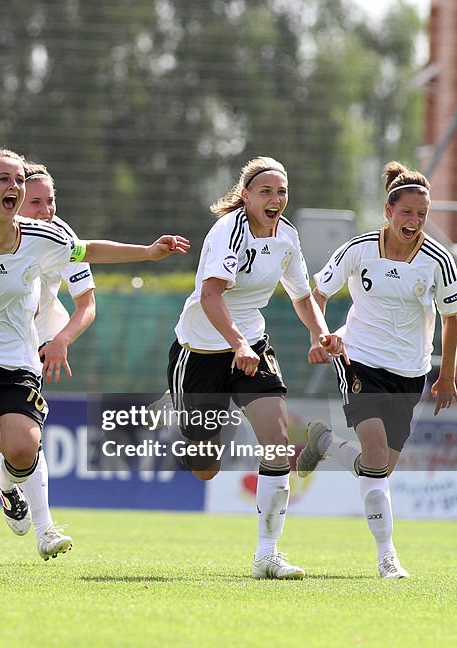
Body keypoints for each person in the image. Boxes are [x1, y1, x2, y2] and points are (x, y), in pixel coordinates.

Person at [0, 146, 189, 581]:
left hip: (13, 365)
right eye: (4, 180)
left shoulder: (42, 238)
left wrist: (147, 253)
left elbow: (90, 250)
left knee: (21, 446)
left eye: (18, 180)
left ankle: (21, 498)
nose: (14, 187)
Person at [166, 156, 343, 580]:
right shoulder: (228, 231)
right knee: (205, 466)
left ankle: (268, 554)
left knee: (278, 442)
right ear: (245, 196)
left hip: (253, 346)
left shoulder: (287, 237)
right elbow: (210, 297)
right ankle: (197, 431)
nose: (276, 199)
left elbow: (303, 296)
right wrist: (237, 343)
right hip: (201, 351)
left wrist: (320, 333)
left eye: (281, 192)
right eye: (266, 191)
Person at [297, 161, 457, 579]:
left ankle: (323, 442)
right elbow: (318, 293)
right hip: (359, 361)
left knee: (380, 469)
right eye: (407, 212)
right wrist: (319, 338)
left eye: (422, 215)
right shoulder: (357, 249)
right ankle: (387, 557)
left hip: (410, 371)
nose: (414, 221)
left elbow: (451, 318)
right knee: (374, 457)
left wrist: (445, 375)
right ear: (388, 212)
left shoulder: (437, 259)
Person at [0, 163, 95, 560]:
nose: (47, 210)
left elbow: (87, 304)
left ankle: (45, 529)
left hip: (30, 346)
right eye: (37, 202)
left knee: (25, 442)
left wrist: (62, 339)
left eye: (51, 201)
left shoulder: (61, 236)